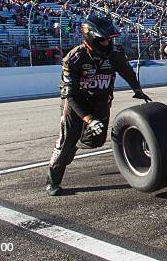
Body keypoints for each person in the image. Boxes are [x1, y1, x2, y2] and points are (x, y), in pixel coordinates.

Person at [46, 13, 151, 196]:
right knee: (65, 143)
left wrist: (137, 90)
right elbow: (69, 95)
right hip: (75, 105)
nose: (107, 44)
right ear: (91, 38)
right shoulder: (73, 59)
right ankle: (53, 180)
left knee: (96, 140)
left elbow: (127, 72)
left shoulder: (115, 53)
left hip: (101, 102)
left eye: (109, 40)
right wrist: (88, 119)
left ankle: (77, 143)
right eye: (103, 40)